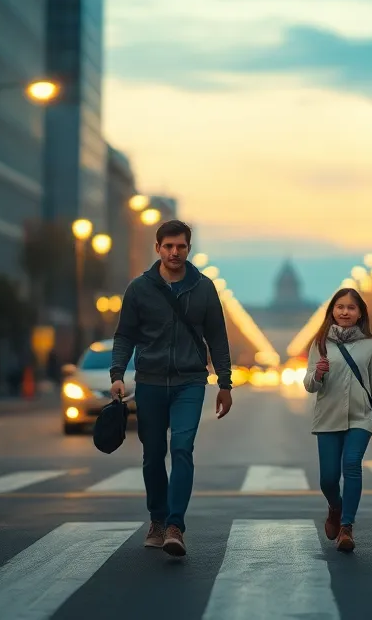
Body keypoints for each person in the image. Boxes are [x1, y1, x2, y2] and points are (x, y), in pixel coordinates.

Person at [109, 219, 234, 558]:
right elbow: (124, 335)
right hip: (149, 382)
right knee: (152, 456)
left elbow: (217, 337)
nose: (174, 252)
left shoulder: (204, 288)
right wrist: (117, 373)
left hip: (190, 382)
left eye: (181, 246)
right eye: (168, 246)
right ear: (158, 248)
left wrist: (225, 382)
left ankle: (175, 525)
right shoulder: (139, 288)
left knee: (181, 448)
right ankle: (157, 519)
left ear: (188, 249)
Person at [302, 287, 372, 553]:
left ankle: (346, 527)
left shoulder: (370, 346)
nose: (345, 312)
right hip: (328, 418)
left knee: (352, 465)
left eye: (351, 308)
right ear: (331, 311)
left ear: (360, 313)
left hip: (361, 417)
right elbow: (309, 385)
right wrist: (317, 373)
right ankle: (335, 506)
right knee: (328, 479)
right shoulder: (319, 344)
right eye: (340, 307)